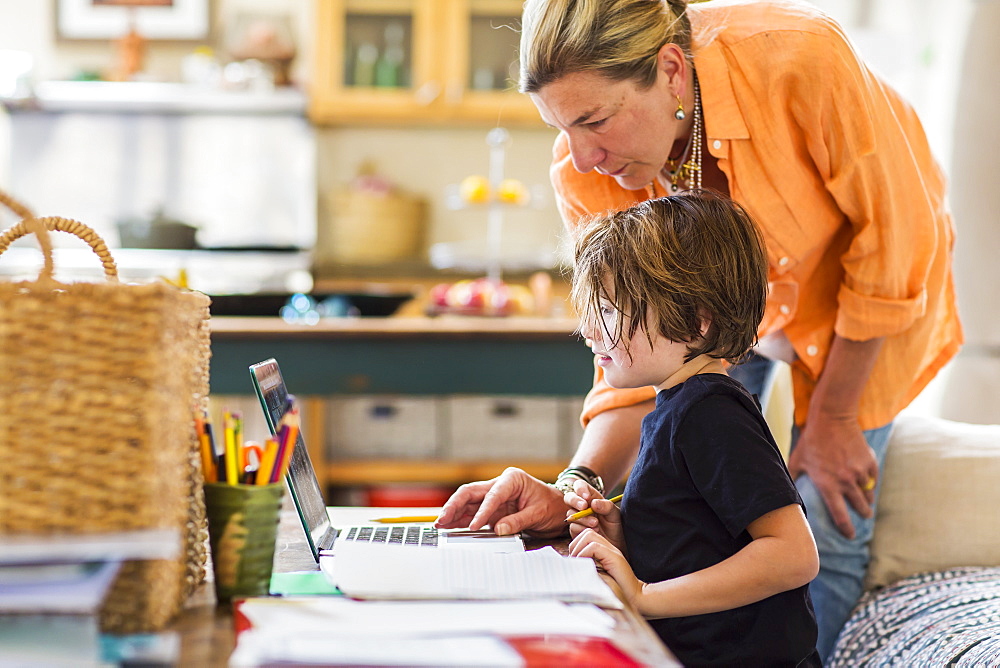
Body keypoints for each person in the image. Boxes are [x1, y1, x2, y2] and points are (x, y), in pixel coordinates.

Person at [435, 0, 963, 659]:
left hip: (863, 303)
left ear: (672, 71)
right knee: (677, 486)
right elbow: (628, 363)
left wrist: (833, 418)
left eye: (594, 120)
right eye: (562, 127)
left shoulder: (802, 61)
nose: (582, 156)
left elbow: (896, 250)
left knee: (827, 518)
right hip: (714, 312)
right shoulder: (585, 171)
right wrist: (577, 487)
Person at [565, 191, 819, 665]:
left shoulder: (711, 414)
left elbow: (792, 554)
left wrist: (644, 596)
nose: (590, 331)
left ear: (696, 324)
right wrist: (631, 536)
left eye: (608, 311)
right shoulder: (678, 406)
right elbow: (702, 540)